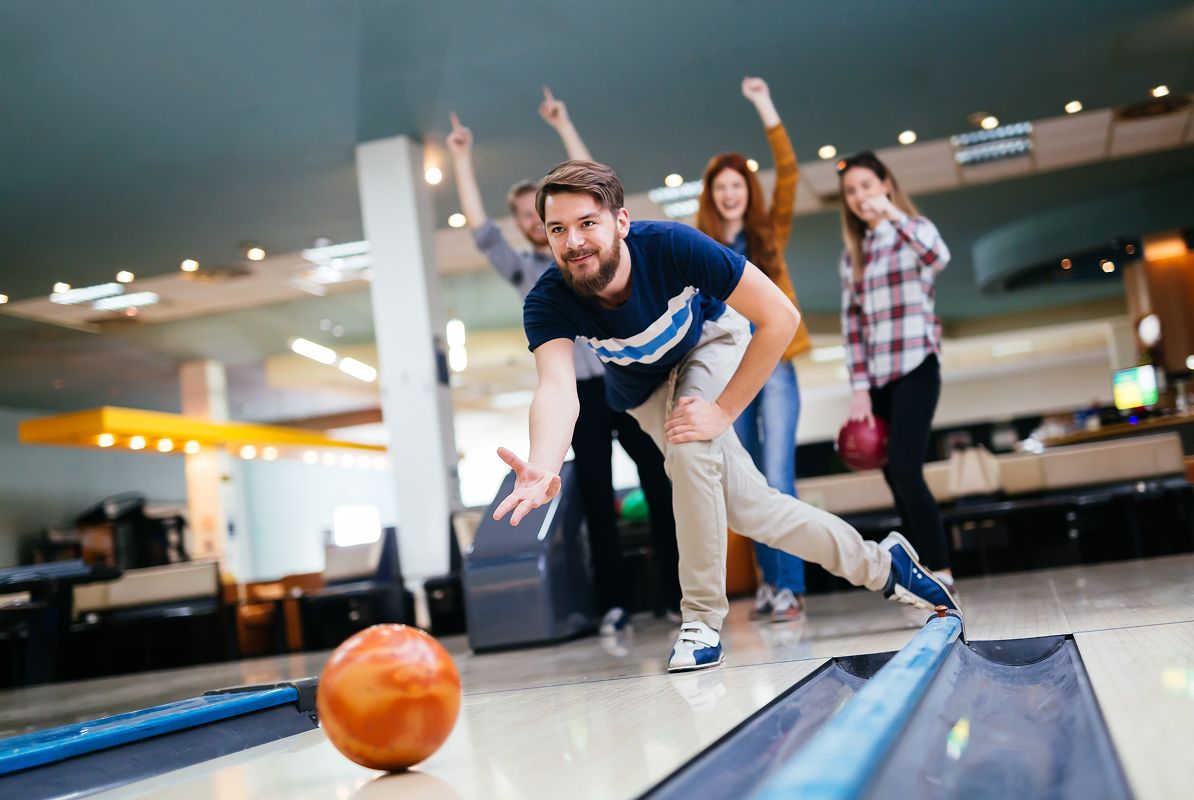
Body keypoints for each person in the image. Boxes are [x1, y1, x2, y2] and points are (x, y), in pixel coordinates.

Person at [492, 159, 960, 673]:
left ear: (620, 223)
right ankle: (884, 566)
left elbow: (781, 316)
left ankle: (700, 621)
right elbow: (558, 389)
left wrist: (724, 410)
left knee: (691, 443)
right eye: (558, 229)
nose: (574, 241)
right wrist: (544, 463)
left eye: (587, 223)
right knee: (754, 510)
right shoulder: (549, 298)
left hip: (710, 343)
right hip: (644, 392)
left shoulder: (672, 246)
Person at [446, 90, 681, 635]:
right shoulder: (528, 271)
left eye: (545, 212)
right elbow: (478, 229)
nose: (540, 222)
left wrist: (563, 123)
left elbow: (595, 183)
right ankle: (616, 604)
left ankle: (673, 596)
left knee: (659, 482)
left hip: (625, 378)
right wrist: (460, 156)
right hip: (577, 397)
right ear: (530, 226)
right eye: (531, 218)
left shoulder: (592, 249)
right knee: (596, 498)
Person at [695, 77, 809, 623]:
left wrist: (765, 103)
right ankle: (770, 585)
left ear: (747, 189)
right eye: (720, 187)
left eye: (736, 184)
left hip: (777, 366)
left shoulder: (769, 232)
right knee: (748, 483)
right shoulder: (702, 246)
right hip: (730, 371)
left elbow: (789, 172)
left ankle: (789, 586)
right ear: (712, 196)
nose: (729, 193)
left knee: (778, 474)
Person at [836, 151, 954, 590]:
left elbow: (938, 257)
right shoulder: (853, 256)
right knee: (894, 475)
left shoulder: (914, 230)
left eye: (867, 186)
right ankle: (924, 575)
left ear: (886, 185)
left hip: (916, 364)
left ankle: (941, 571)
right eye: (851, 192)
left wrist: (892, 214)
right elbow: (853, 327)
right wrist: (860, 389)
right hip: (878, 378)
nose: (859, 197)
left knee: (906, 467)